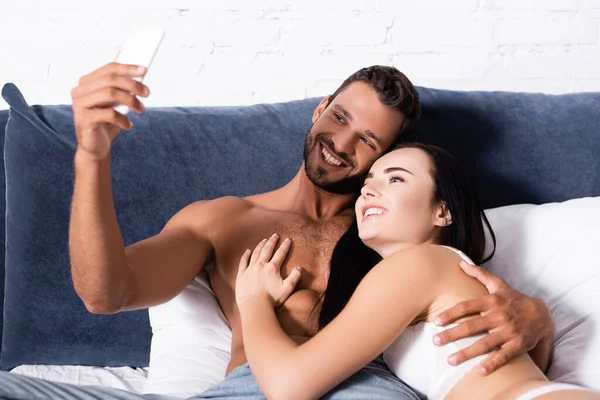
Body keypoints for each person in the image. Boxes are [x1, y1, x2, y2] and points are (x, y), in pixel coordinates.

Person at [0, 64, 554, 399]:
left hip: (361, 389)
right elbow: (105, 292)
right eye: (339, 117)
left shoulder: (390, 229)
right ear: (319, 109)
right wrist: (90, 157)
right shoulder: (223, 221)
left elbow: (462, 297)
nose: (341, 143)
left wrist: (536, 317)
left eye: (369, 142)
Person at [234, 142, 599, 400]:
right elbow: (517, 365)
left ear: (443, 211)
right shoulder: (441, 272)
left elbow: (288, 388)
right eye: (367, 183)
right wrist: (544, 327)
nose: (369, 191)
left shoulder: (419, 263)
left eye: (395, 179)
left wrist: (251, 301)